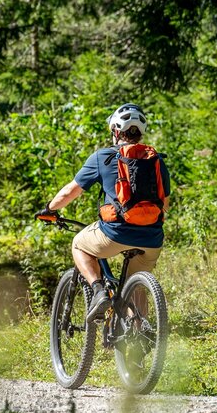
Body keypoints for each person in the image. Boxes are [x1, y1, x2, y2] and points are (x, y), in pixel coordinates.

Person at [36, 103, 171, 322]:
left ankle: (98, 291)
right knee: (135, 283)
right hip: (152, 239)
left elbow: (70, 192)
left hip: (115, 234)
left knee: (79, 244)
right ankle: (139, 335)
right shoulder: (157, 161)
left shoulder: (103, 157)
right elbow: (164, 204)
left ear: (116, 131)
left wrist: (50, 209)